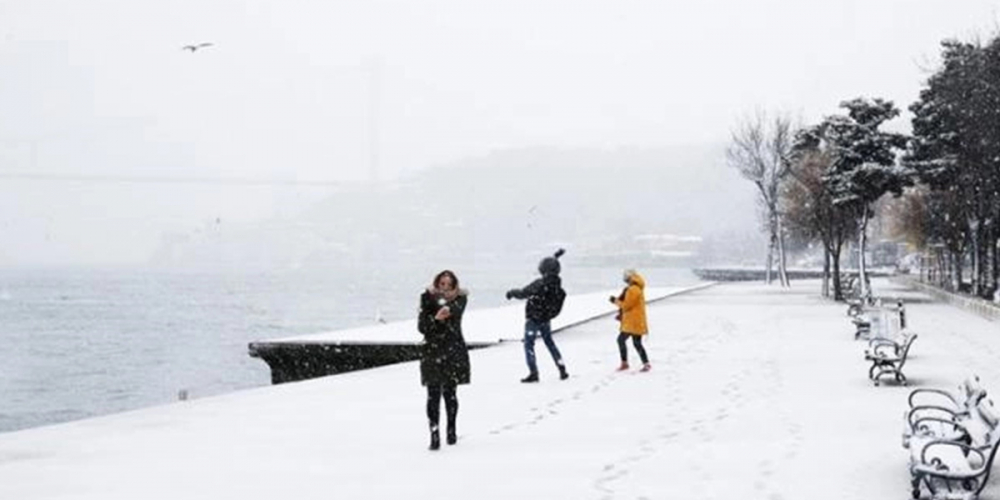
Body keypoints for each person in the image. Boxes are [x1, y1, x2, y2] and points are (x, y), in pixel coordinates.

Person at [418, 270, 471, 450]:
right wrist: (435, 319)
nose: (445, 288)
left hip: (452, 350)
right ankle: (434, 434)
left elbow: (456, 310)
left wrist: (446, 311)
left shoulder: (460, 298)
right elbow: (422, 326)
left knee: (450, 393)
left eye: (449, 284)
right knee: (432, 395)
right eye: (442, 284)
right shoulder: (426, 298)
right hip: (432, 351)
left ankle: (451, 430)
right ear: (437, 283)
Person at [506, 248, 569, 383]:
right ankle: (562, 368)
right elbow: (552, 268)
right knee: (550, 343)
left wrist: (511, 292)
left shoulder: (539, 284)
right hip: (546, 319)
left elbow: (523, 293)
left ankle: (533, 373)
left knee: (529, 345)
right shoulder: (557, 285)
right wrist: (556, 257)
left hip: (533, 319)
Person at [610, 269, 650, 372]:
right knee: (636, 343)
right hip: (635, 321)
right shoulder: (636, 288)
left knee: (621, 340)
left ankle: (625, 363)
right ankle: (646, 363)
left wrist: (615, 301)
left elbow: (627, 305)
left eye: (626, 279)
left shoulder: (633, 290)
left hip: (633, 322)